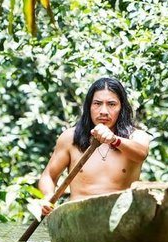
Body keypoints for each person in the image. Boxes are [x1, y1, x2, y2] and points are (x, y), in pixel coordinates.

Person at [38, 77, 151, 215]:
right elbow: (48, 175)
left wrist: (114, 140)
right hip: (78, 220)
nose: (103, 111)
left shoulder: (137, 136)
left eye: (111, 104)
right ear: (89, 107)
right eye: (97, 103)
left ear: (121, 107)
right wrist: (47, 196)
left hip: (119, 221)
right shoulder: (70, 137)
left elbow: (141, 153)